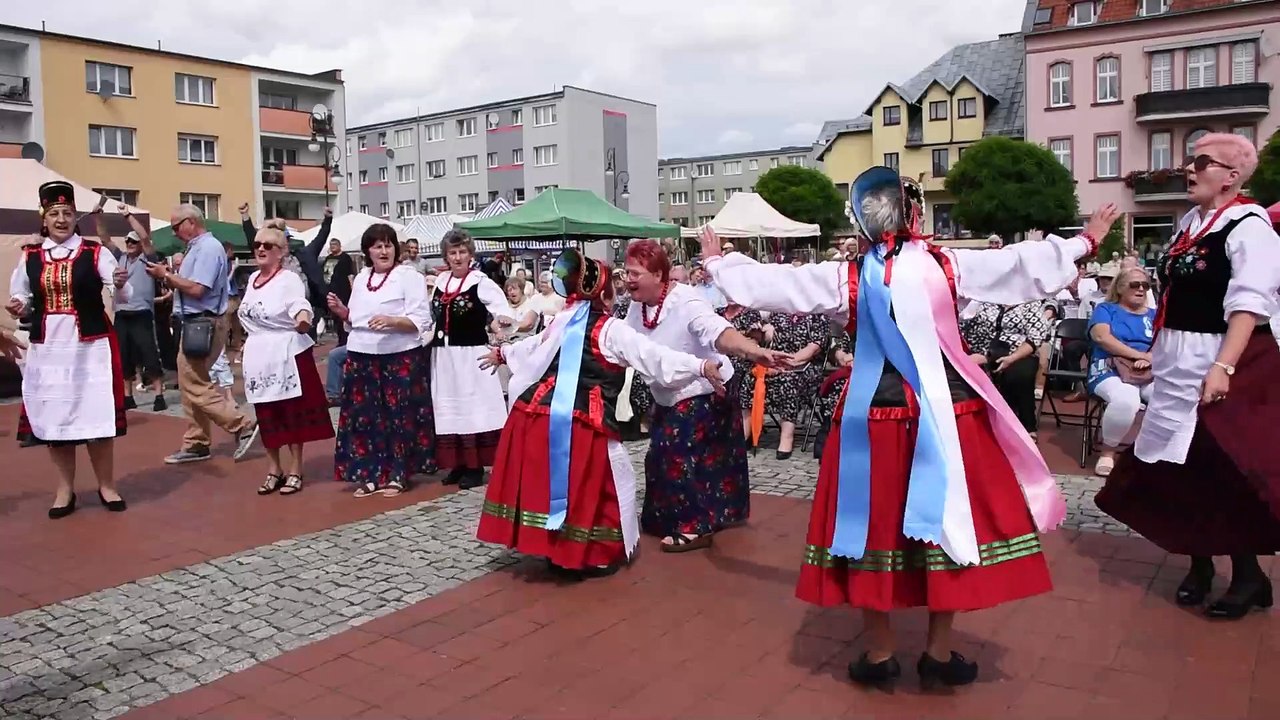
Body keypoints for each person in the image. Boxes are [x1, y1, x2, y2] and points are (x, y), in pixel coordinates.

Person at [702, 167, 1117, 688]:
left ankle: (880, 654)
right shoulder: (948, 266)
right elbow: (1016, 265)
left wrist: (720, 262)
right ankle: (938, 652)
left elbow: (778, 285)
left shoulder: (845, 276)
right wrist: (1082, 242)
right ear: (916, 216)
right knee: (949, 521)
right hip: (947, 413)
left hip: (873, 418)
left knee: (869, 526)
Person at [1096, 133, 1280, 619]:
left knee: (1224, 467)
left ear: (1233, 175)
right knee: (1175, 466)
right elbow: (1173, 299)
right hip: (1180, 360)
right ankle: (1199, 566)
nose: (1189, 170)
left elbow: (1249, 304)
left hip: (1225, 359)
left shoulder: (1249, 225)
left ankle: (1247, 576)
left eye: (1201, 162)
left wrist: (1223, 366)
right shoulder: (1191, 225)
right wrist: (1159, 349)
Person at [476, 250, 729, 578]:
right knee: (599, 484)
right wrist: (698, 364)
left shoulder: (563, 320)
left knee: (553, 482)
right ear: (606, 293)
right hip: (584, 424)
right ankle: (589, 552)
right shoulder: (610, 330)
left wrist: (503, 352)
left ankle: (554, 549)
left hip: (536, 414)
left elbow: (533, 346)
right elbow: (654, 357)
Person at [623, 239, 788, 552]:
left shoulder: (687, 302)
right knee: (660, 455)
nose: (628, 279)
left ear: (659, 275)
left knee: (677, 452)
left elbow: (719, 332)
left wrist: (754, 351)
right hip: (668, 390)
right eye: (626, 273)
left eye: (635, 273)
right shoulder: (636, 307)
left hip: (707, 386)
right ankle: (674, 517)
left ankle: (695, 526)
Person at [8, 181, 132, 517]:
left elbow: (123, 292)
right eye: (54, 214)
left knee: (95, 415)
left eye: (67, 213)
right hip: (49, 346)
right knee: (56, 417)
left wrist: (119, 283)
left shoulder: (94, 252)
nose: (61, 219)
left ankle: (106, 485)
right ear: (44, 218)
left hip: (89, 344)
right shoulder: (31, 256)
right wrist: (18, 305)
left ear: (76, 217)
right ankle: (65, 490)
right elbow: (22, 293)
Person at [328, 224, 434, 497]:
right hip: (363, 354)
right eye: (377, 246)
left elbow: (421, 320)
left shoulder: (408, 276)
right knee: (367, 418)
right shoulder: (362, 278)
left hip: (399, 355)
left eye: (388, 245)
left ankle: (399, 472)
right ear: (368, 251)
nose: (383, 251)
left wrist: (394, 321)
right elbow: (357, 318)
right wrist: (343, 312)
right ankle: (372, 472)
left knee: (398, 416)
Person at [147, 204, 258, 465]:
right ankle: (196, 442)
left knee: (194, 383)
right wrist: (169, 277)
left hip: (203, 322)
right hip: (198, 322)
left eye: (176, 227)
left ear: (190, 222)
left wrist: (167, 276)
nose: (175, 233)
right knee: (192, 381)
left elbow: (198, 289)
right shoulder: (198, 248)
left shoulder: (207, 248)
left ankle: (242, 424)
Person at [238, 226, 334, 495]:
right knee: (266, 415)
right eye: (258, 244)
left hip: (285, 353)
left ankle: (295, 469)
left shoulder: (288, 279)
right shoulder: (253, 278)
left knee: (291, 413)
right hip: (259, 356)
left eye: (268, 246)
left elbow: (298, 304)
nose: (260, 249)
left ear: (281, 253)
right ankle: (273, 468)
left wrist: (303, 318)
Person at [429, 229, 513, 490]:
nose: (457, 257)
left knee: (471, 408)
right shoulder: (440, 283)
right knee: (449, 408)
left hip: (470, 356)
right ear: (446, 256)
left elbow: (502, 310)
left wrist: (500, 323)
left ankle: (475, 466)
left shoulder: (481, 281)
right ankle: (458, 462)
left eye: (462, 252)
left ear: (470, 255)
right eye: (452, 253)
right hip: (443, 356)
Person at [1086, 266, 1156, 477]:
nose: (1141, 289)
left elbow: (1166, 342)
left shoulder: (1155, 314)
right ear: (1120, 288)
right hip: (1109, 369)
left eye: (1146, 285)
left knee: (1169, 399)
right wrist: (1138, 355)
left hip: (1149, 370)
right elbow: (1101, 338)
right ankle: (1108, 452)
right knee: (1127, 399)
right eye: (1135, 285)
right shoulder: (1106, 309)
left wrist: (1151, 357)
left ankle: (1154, 454)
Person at [96, 206, 167, 412]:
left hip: (141, 313)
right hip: (121, 313)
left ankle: (159, 395)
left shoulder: (148, 259)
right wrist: (99, 218)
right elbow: (105, 238)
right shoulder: (120, 257)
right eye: (128, 241)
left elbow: (145, 238)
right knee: (123, 355)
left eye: (133, 241)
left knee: (149, 354)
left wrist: (127, 215)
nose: (130, 244)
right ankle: (128, 397)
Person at [960, 300, 1052, 438]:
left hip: (1020, 353)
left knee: (1019, 375)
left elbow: (1035, 338)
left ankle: (1027, 427)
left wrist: (1012, 357)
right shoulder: (985, 301)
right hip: (986, 352)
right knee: (962, 370)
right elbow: (968, 331)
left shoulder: (1030, 303)